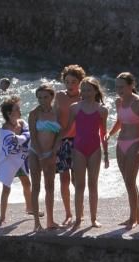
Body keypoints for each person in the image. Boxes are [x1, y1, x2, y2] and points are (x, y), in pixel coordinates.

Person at [109, 72, 139, 229]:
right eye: (116, 87)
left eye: (122, 86)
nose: (119, 90)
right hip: (121, 143)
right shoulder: (118, 102)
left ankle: (132, 218)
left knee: (130, 180)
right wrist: (109, 134)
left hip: (136, 142)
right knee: (127, 180)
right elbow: (120, 121)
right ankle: (137, 216)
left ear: (131, 86)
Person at [64, 76, 109, 229]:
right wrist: (55, 142)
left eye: (89, 90)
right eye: (83, 90)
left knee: (93, 184)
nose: (86, 93)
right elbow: (67, 129)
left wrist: (107, 154)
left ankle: (94, 218)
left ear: (96, 91)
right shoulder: (75, 107)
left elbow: (103, 133)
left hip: (95, 149)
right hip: (78, 149)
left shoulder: (102, 110)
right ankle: (78, 218)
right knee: (79, 185)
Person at [27, 84, 62, 230]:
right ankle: (36, 222)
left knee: (50, 187)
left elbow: (60, 133)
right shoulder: (34, 113)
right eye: (39, 98)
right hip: (36, 152)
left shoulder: (57, 112)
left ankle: (50, 221)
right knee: (36, 186)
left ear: (52, 97)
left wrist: (54, 151)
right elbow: (33, 137)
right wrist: (41, 156)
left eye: (45, 97)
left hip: (50, 152)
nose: (42, 100)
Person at [55, 64, 86, 226]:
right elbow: (53, 118)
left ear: (80, 82)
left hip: (79, 141)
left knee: (77, 179)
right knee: (64, 180)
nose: (70, 85)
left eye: (74, 82)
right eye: (67, 82)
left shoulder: (85, 96)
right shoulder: (59, 96)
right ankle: (68, 214)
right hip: (62, 141)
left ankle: (80, 212)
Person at [0, 96, 32, 227]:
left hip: (20, 160)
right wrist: (22, 138)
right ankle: (2, 217)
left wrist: (21, 138)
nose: (20, 111)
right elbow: (8, 145)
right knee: (6, 188)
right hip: (9, 161)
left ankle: (29, 208)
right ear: (9, 113)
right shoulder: (5, 128)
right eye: (17, 109)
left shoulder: (21, 123)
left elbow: (29, 135)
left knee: (27, 183)